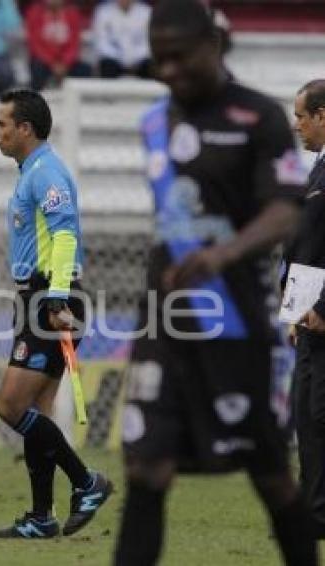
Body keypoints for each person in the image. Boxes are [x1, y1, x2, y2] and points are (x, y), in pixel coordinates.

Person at [114, 1, 318, 564]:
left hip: (236, 323)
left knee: (271, 474)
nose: (170, 70)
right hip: (165, 321)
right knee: (145, 467)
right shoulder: (153, 121)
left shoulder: (259, 117)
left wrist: (222, 254)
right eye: (160, 60)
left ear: (215, 47)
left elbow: (286, 210)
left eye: (181, 57)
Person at [0, 88, 112, 539]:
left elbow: (64, 237)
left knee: (10, 406)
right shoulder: (32, 172)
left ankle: (86, 482)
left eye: (3, 124)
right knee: (37, 411)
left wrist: (56, 298)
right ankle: (42, 516)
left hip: (50, 298)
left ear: (25, 128)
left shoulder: (47, 172)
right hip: (38, 296)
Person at [285, 79, 325, 539]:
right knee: (307, 416)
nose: (297, 125)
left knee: (320, 415)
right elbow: (305, 245)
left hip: (323, 312)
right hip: (308, 314)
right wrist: (293, 305)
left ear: (322, 116)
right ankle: (312, 514)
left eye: (301, 116)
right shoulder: (316, 171)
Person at [25, 0, 91, 92]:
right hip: (44, 61)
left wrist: (65, 63)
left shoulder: (72, 13)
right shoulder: (35, 12)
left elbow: (75, 43)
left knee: (85, 70)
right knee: (37, 68)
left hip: (66, 61)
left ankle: (81, 102)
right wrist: (52, 63)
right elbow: (35, 44)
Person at [92, 0, 151, 79]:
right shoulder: (103, 11)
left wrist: (133, 59)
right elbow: (101, 42)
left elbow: (148, 42)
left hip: (139, 60)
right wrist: (120, 58)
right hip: (113, 59)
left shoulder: (146, 12)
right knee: (107, 64)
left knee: (149, 64)